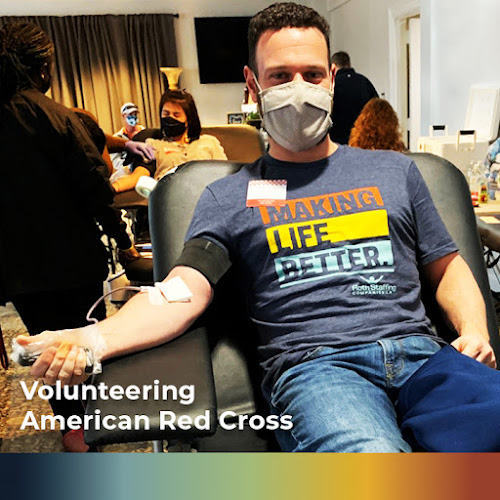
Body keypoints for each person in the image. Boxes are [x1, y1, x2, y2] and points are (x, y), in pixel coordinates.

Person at [20, 3, 496, 453]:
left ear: (331, 80)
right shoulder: (229, 197)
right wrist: (92, 339)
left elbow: (446, 265)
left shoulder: (394, 171)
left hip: (425, 357)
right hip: (319, 370)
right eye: (280, 76)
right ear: (253, 85)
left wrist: (475, 330)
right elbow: (181, 292)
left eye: (312, 75)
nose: (299, 89)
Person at [0, 21, 137, 451]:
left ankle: (71, 426)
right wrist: (124, 242)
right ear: (42, 68)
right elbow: (96, 191)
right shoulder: (58, 117)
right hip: (74, 261)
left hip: (17, 269)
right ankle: (92, 421)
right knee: (82, 342)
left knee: (46, 346)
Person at [111, 89, 227, 193]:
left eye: (176, 115)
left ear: (188, 120)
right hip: (170, 197)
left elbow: (225, 174)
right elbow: (139, 175)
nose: (170, 118)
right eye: (166, 114)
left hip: (205, 195)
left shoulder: (209, 142)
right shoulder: (153, 145)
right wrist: (113, 188)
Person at [329, 51, 378, 145]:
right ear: (349, 64)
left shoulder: (332, 84)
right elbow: (377, 109)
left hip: (337, 140)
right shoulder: (364, 82)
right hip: (361, 139)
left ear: (333, 66)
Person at [109, 102, 146, 182]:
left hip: (145, 170)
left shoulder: (146, 133)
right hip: (126, 175)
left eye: (135, 114)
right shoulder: (117, 138)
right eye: (130, 114)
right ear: (123, 116)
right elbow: (116, 163)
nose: (133, 117)